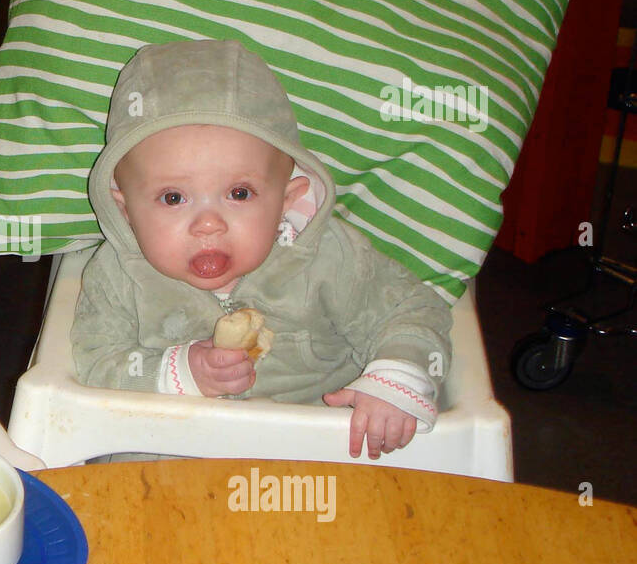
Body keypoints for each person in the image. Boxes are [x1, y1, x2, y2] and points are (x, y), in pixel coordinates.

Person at [72, 39, 453, 459]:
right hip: (173, 448)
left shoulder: (329, 256)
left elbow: (411, 309)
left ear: (287, 199)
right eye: (173, 198)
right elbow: (96, 363)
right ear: (126, 210)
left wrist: (394, 378)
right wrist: (181, 373)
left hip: (312, 453)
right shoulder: (116, 275)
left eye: (239, 192)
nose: (208, 224)